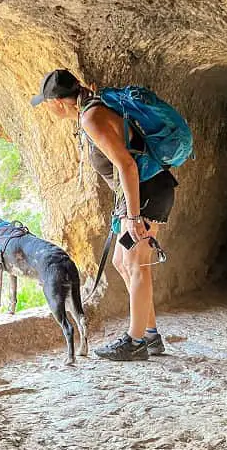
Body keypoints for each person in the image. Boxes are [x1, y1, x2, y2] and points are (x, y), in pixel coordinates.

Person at [30, 68, 177, 361]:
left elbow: (127, 167)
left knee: (135, 263)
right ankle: (150, 335)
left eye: (46, 104)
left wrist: (133, 217)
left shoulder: (91, 118)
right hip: (140, 192)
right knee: (123, 261)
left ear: (58, 103)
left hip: (145, 192)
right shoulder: (92, 110)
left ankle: (137, 342)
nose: (47, 110)